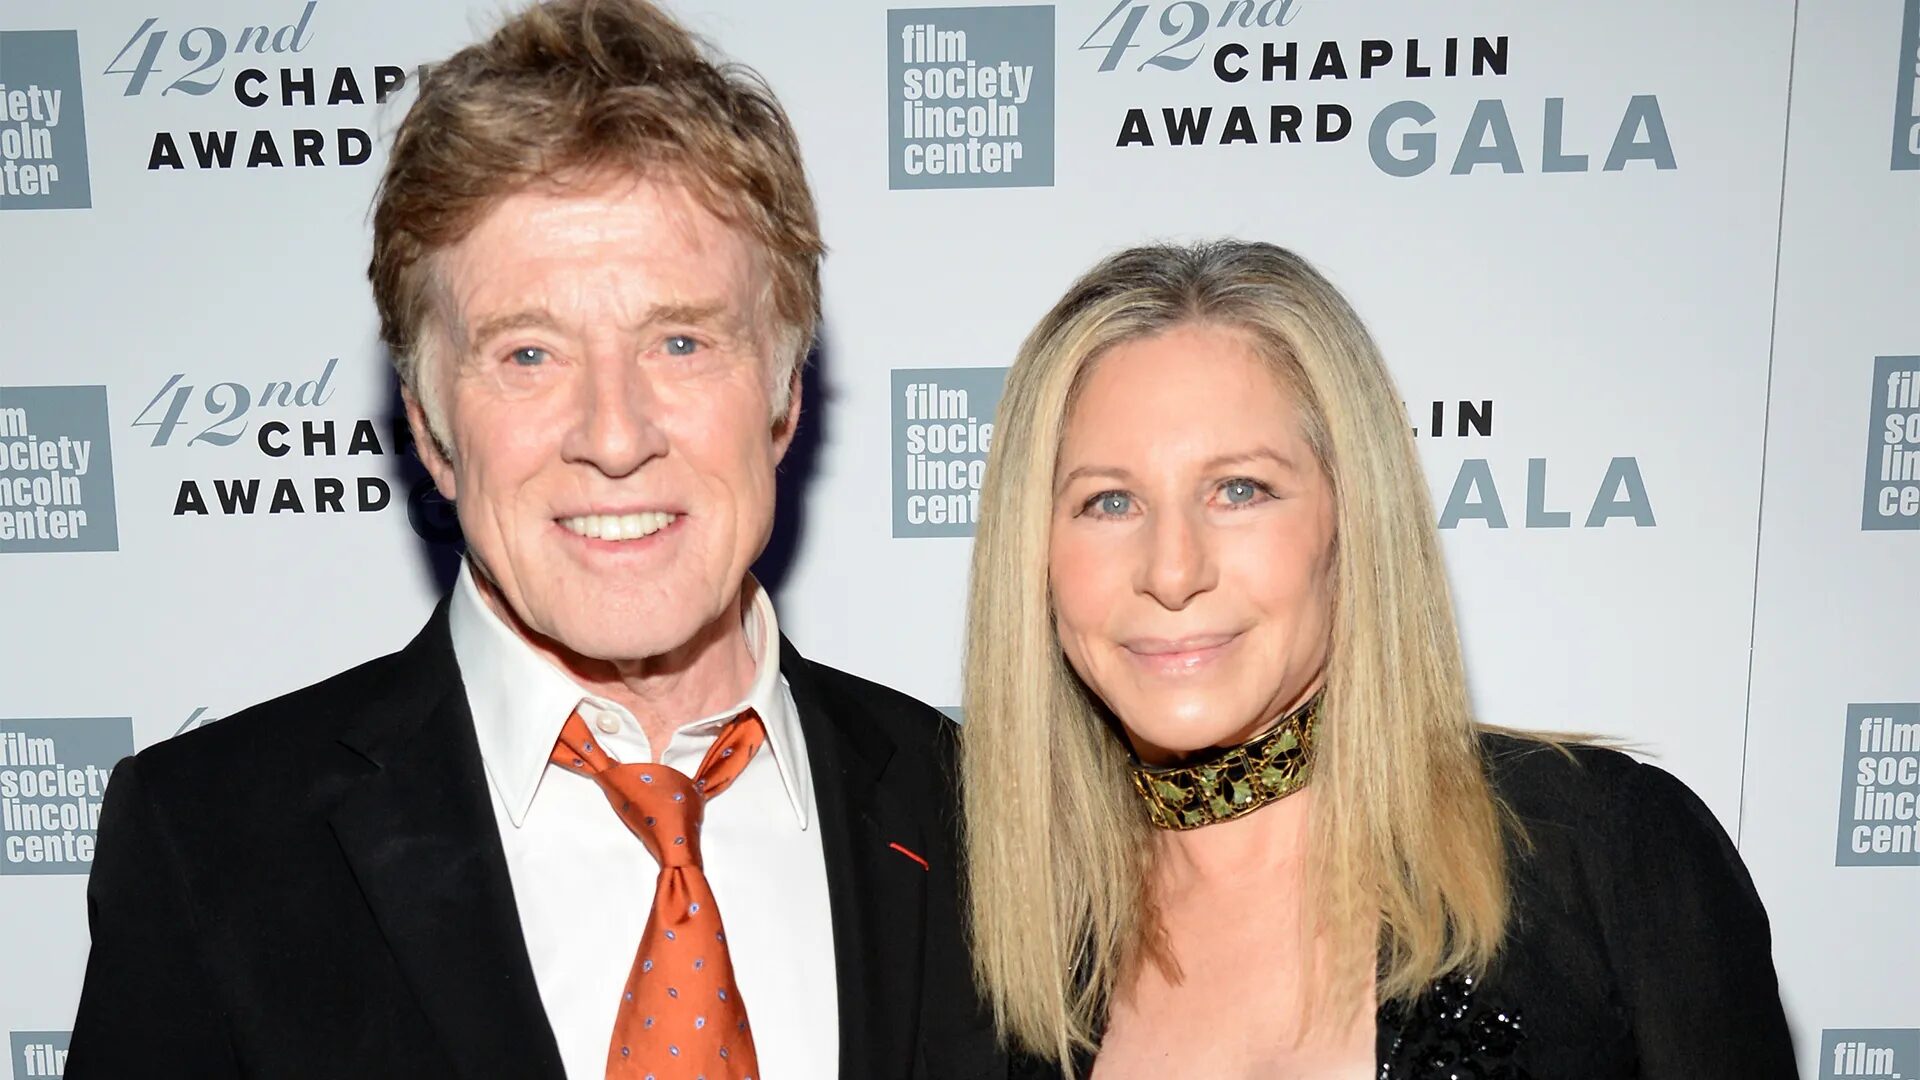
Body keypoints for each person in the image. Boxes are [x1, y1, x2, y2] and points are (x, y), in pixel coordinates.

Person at [66, 2, 1002, 1077]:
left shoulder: (983, 817)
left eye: (681, 341)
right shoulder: (211, 844)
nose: (614, 436)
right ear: (429, 427)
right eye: (527, 355)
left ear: (786, 394)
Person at [959, 240, 1796, 1078]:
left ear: (1352, 520)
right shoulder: (1001, 946)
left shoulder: (1604, 853)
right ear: (1034, 551)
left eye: (1240, 490)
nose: (1172, 571)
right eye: (1109, 501)